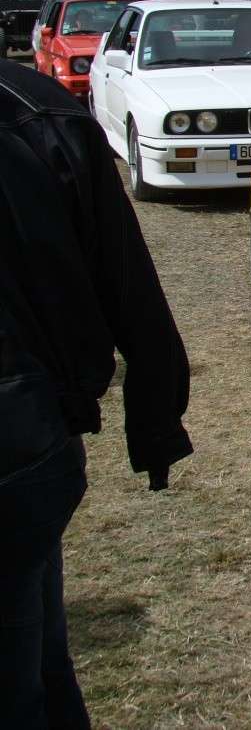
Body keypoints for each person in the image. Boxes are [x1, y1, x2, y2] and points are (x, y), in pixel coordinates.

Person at [0, 58, 192, 727]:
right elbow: (128, 282)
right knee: (37, 659)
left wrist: (156, 420)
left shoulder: (39, 111)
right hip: (33, 429)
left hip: (25, 432)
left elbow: (128, 280)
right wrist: (156, 421)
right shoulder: (39, 106)